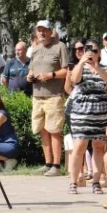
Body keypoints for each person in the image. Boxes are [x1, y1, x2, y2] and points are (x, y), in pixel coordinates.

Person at [66, 39, 107, 195]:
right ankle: (73, 182)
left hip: (102, 113)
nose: (91, 53)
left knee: (99, 147)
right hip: (82, 112)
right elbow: (74, 80)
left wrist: (96, 67)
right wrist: (82, 62)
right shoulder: (78, 67)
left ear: (99, 52)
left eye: (94, 50)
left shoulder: (106, 68)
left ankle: (96, 182)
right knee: (79, 147)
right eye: (88, 50)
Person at [26, 20, 69, 177]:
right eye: (39, 30)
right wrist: (30, 76)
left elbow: (66, 71)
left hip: (54, 96)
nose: (42, 33)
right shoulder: (35, 49)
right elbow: (30, 69)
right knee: (42, 129)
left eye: (44, 30)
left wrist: (50, 75)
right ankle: (48, 163)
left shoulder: (60, 47)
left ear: (51, 31)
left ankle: (56, 166)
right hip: (37, 96)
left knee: (54, 130)